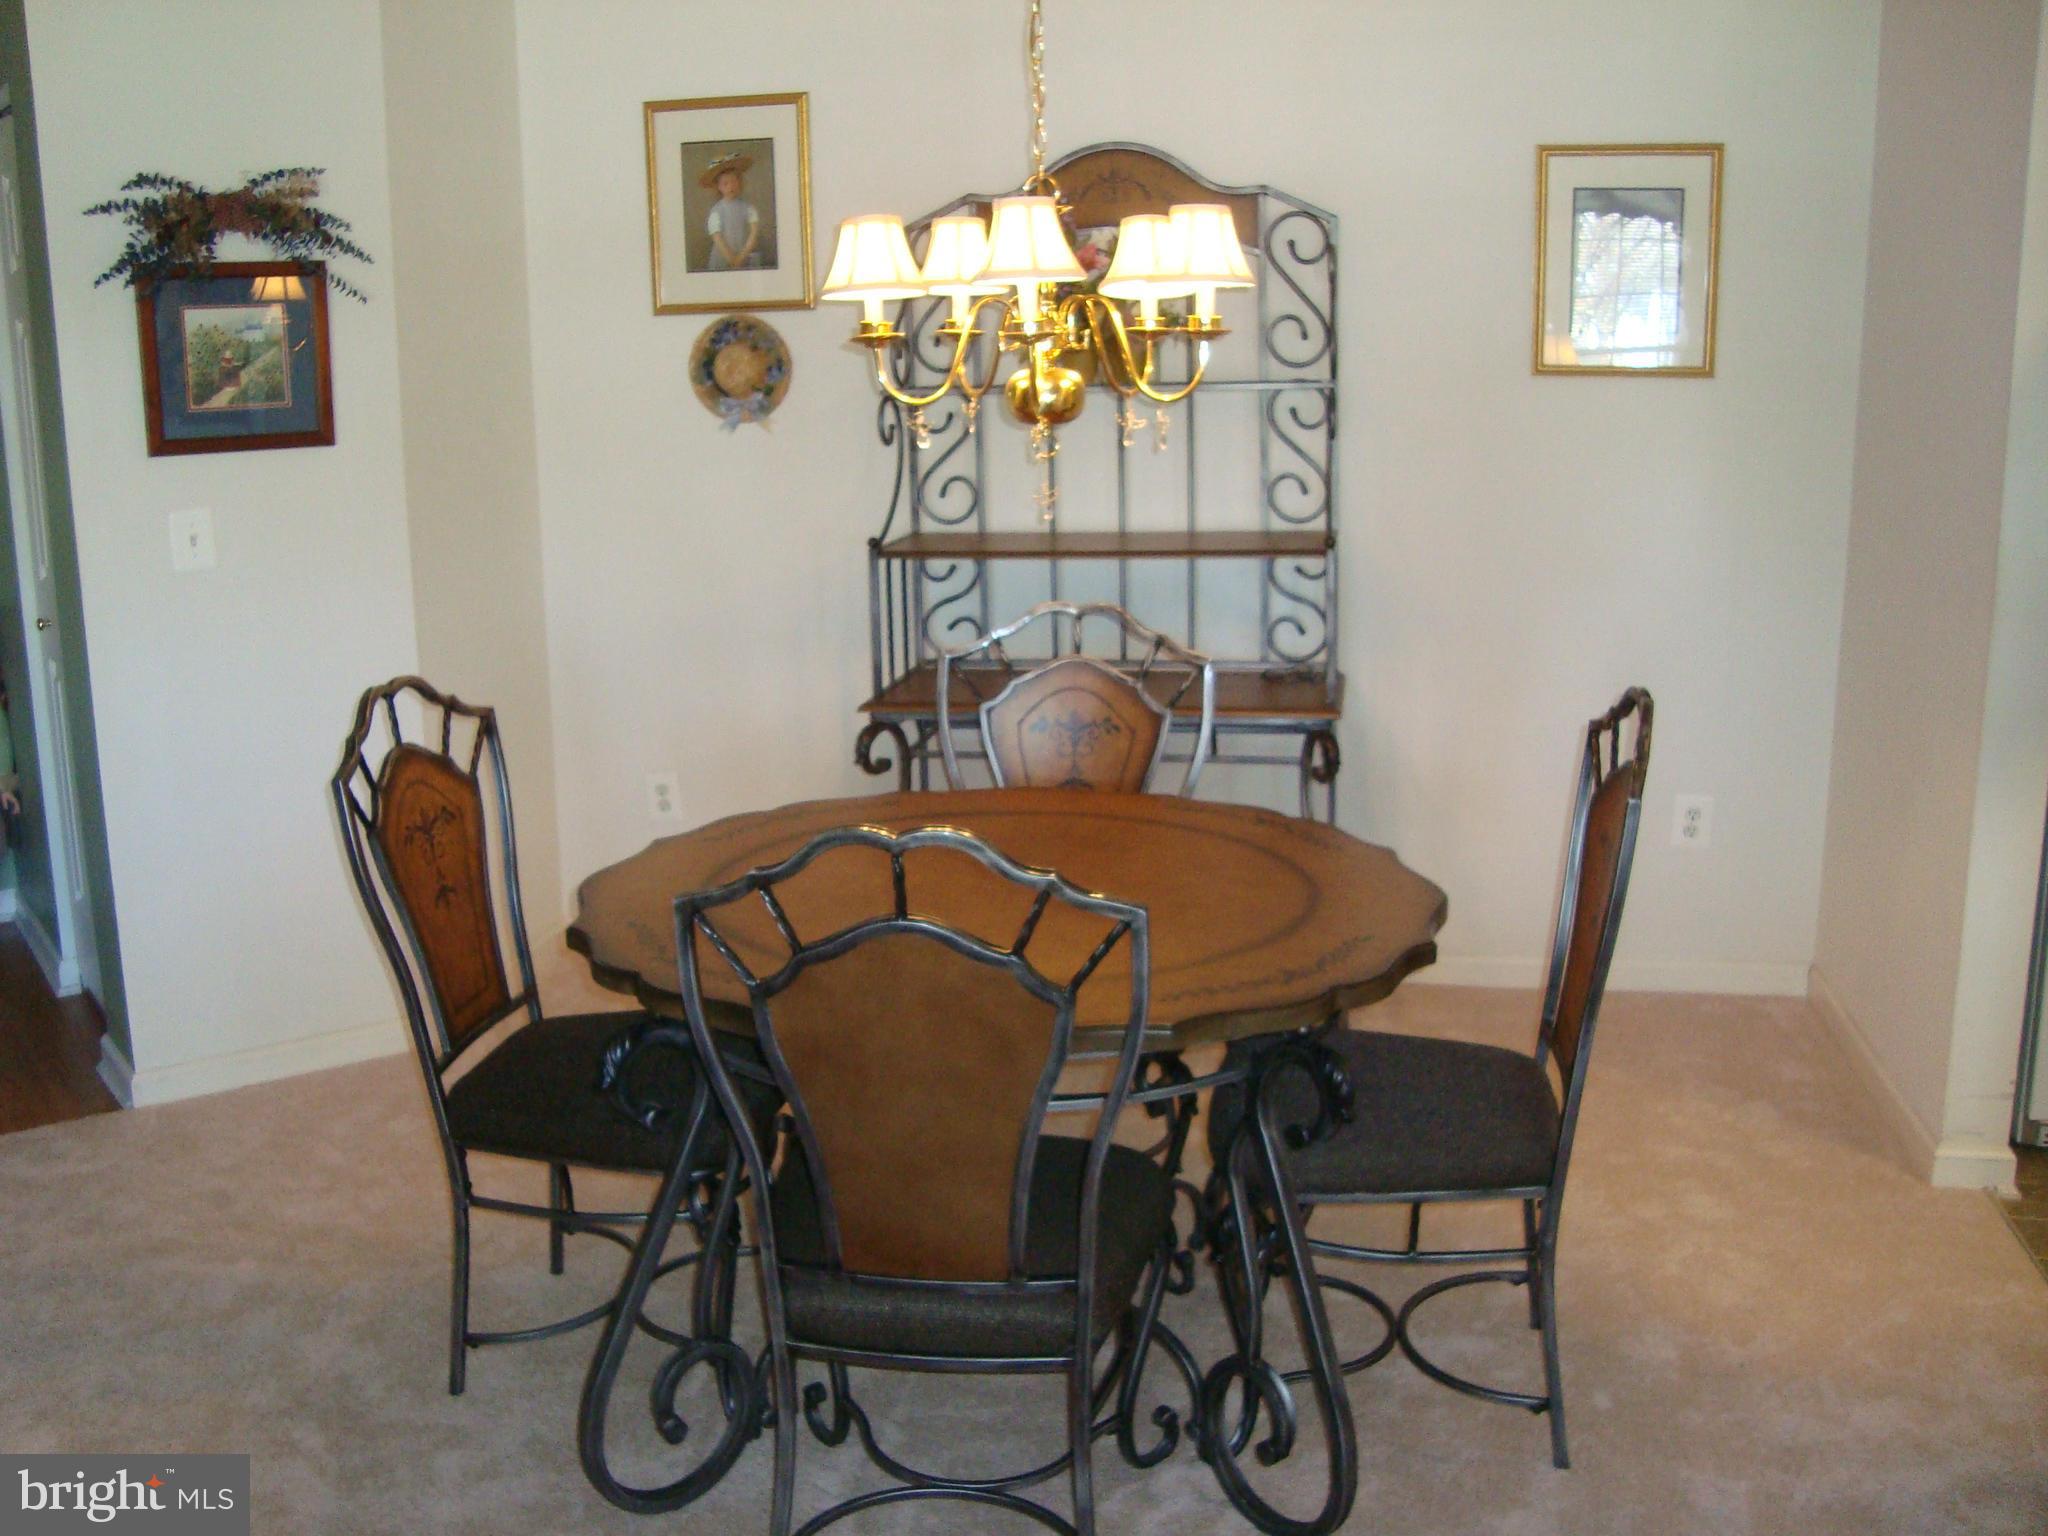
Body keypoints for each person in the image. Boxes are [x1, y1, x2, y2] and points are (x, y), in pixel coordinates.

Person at [700, 152, 765, 271]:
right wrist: (731, 259)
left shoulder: (747, 208)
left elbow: (754, 232)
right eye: (725, 184)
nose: (731, 187)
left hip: (743, 255)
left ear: (739, 182)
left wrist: (742, 256)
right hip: (722, 257)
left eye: (734, 182)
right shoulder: (717, 211)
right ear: (719, 187)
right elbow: (717, 237)